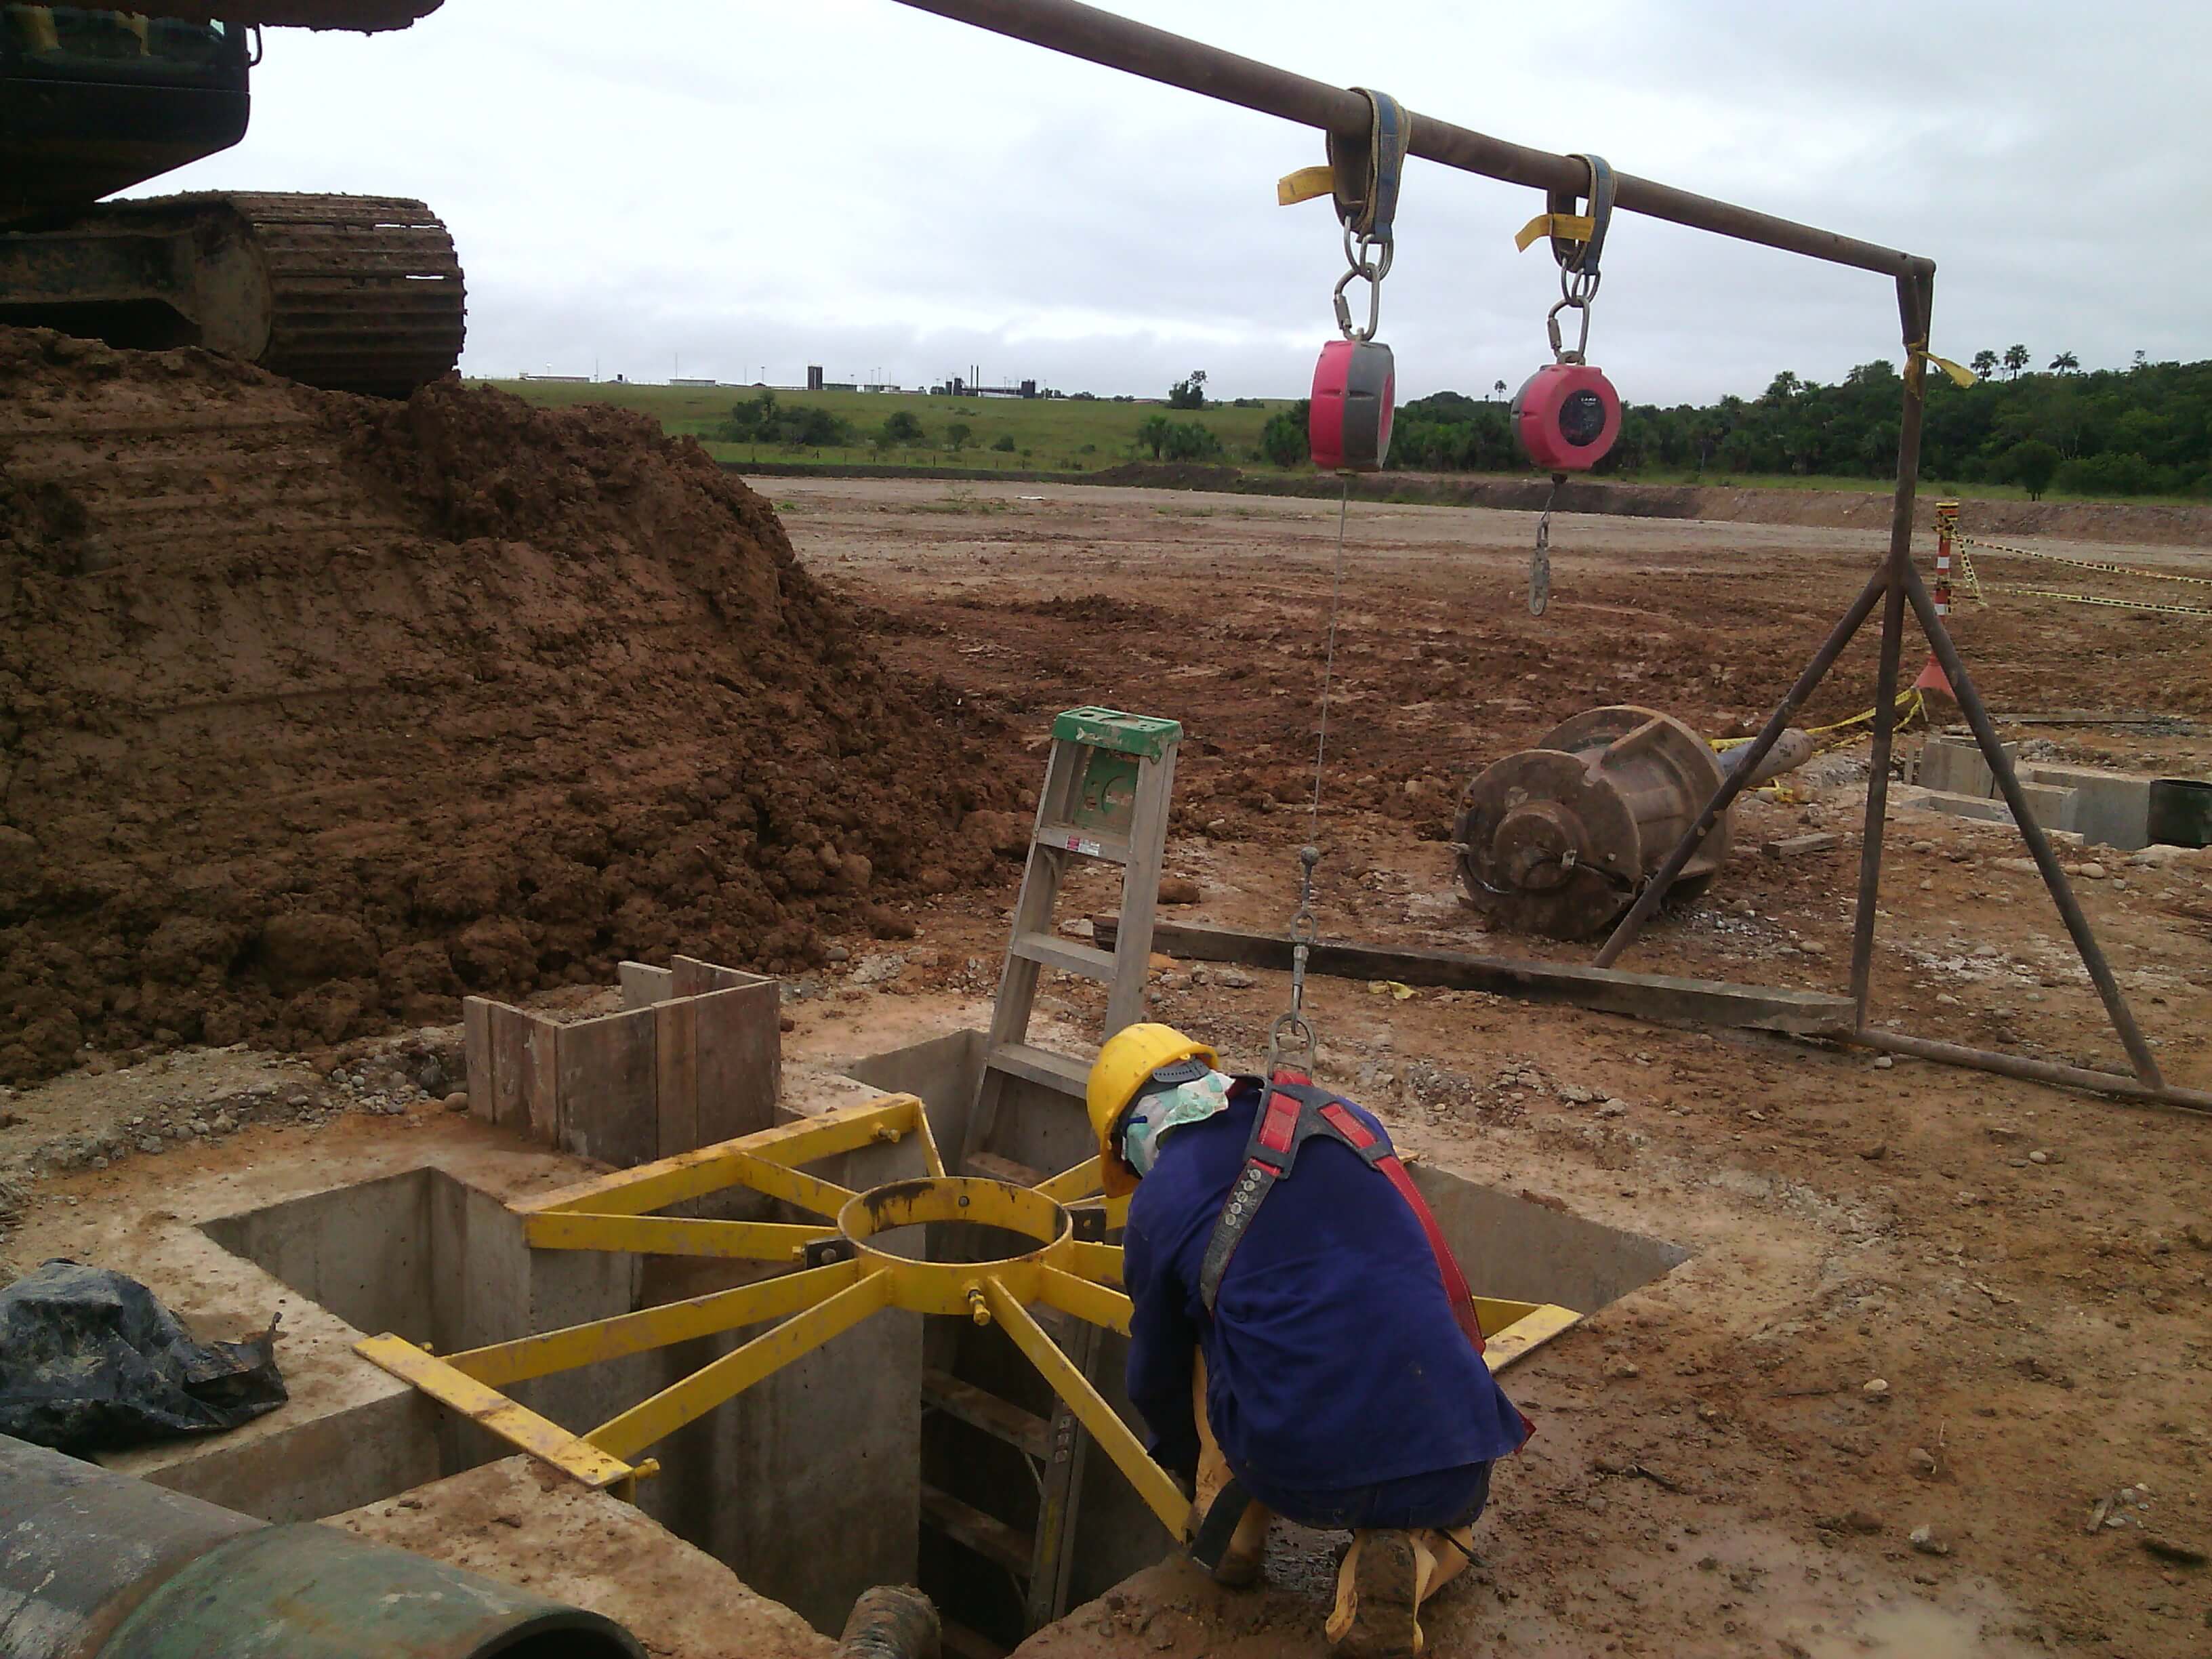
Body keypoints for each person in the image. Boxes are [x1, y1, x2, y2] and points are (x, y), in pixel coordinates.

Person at [1090, 1023, 1530, 1659]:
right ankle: (1404, 1570)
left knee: (1204, 1320)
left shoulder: (1163, 1197)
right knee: (1452, 1524)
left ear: (1130, 1138)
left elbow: (1154, 1370)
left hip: (1295, 1463)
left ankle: (1233, 1527)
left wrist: (1182, 1463)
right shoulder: (1349, 1119)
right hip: (1454, 1436)